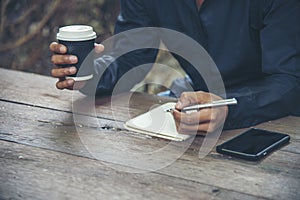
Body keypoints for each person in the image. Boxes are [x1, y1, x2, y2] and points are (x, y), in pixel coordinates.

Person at [50, 0, 300, 134]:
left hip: (273, 118)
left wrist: (228, 108)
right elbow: (131, 56)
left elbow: (290, 81)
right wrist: (88, 76)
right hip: (191, 117)